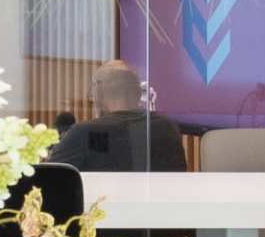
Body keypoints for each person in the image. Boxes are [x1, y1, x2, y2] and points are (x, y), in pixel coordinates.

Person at [48, 60, 192, 175]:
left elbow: (47, 180)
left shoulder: (87, 133)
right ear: (137, 92)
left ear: (100, 92)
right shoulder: (168, 127)